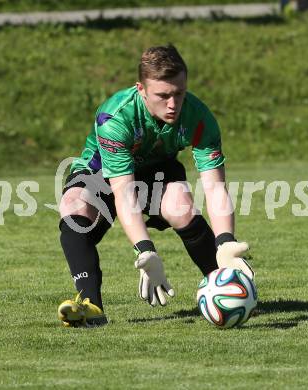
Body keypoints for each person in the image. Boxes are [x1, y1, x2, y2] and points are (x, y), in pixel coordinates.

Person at [57, 44, 254, 328]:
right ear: (141, 89)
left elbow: (215, 187)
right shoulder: (115, 117)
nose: (173, 104)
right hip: (102, 172)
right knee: (73, 205)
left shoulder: (198, 116)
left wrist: (225, 241)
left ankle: (227, 287)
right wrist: (145, 250)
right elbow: (124, 193)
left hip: (156, 171)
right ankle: (91, 307)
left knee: (181, 205)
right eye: (163, 96)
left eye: (179, 93)